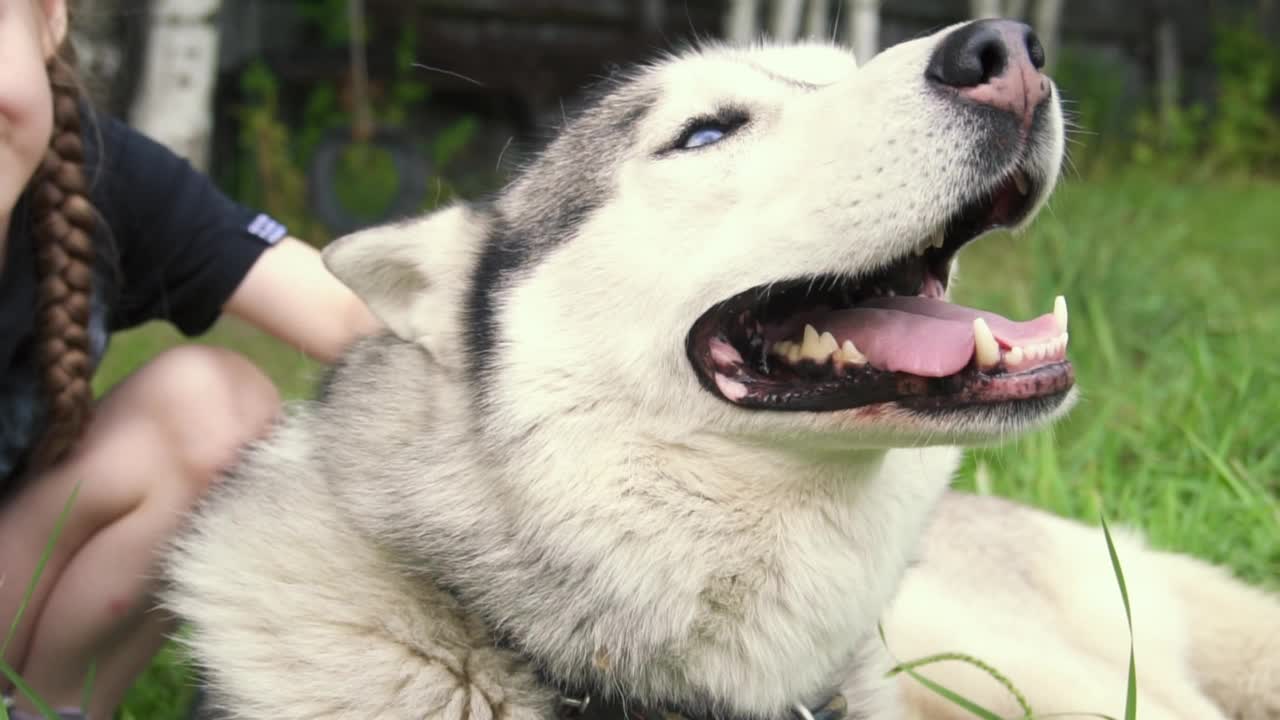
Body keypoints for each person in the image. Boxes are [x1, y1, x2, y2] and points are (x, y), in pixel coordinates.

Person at [0, 1, 383, 717]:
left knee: (215, 407)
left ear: (49, 19)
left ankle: (52, 707)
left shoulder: (93, 172)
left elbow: (352, 314)